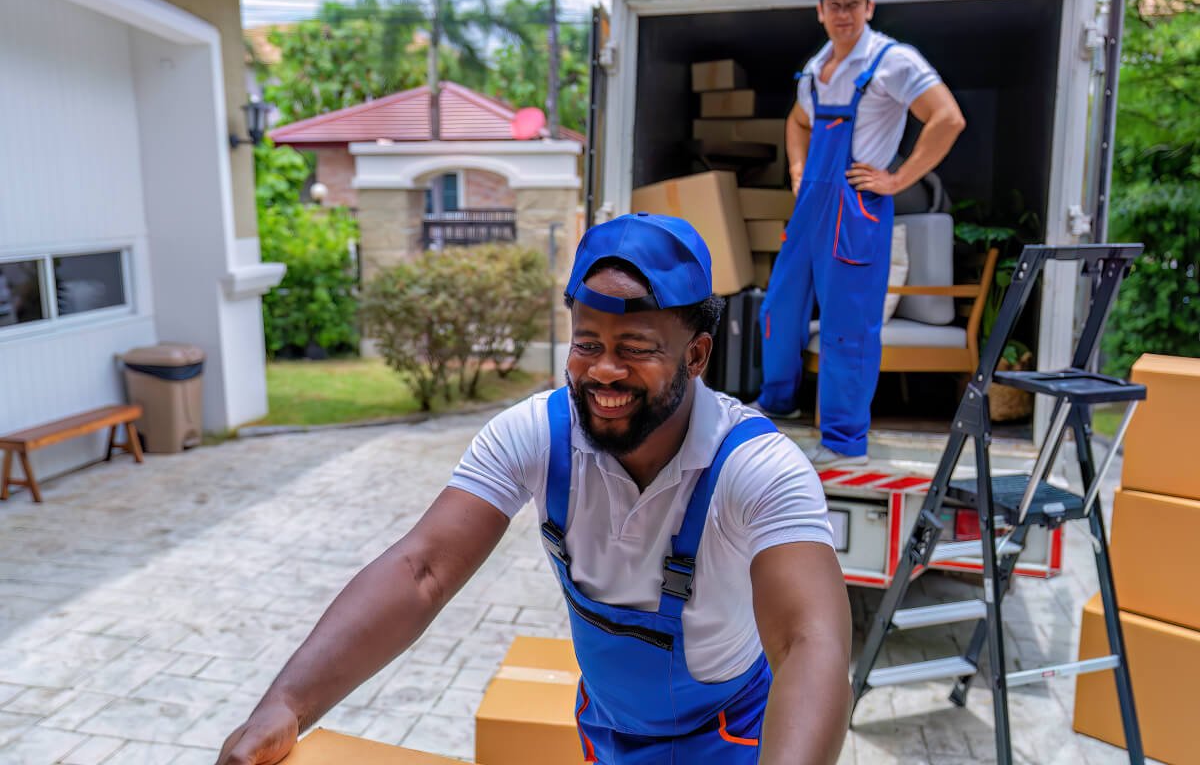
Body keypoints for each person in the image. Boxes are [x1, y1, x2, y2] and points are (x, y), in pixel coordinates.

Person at [217, 213, 852, 765]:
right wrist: (287, 704)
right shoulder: (537, 435)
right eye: (587, 344)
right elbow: (421, 571)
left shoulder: (756, 467)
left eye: (635, 349)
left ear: (696, 355)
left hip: (732, 740)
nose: (605, 371)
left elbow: (810, 642)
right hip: (606, 730)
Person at [755, 0, 966, 467]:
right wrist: (798, 167)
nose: (843, 13)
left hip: (855, 208)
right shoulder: (816, 67)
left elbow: (948, 118)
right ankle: (778, 404)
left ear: (869, 8)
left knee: (847, 326)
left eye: (853, 3)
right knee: (779, 309)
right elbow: (798, 121)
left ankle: (843, 441)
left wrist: (897, 179)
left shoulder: (893, 61)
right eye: (835, 4)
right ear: (820, 11)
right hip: (811, 206)